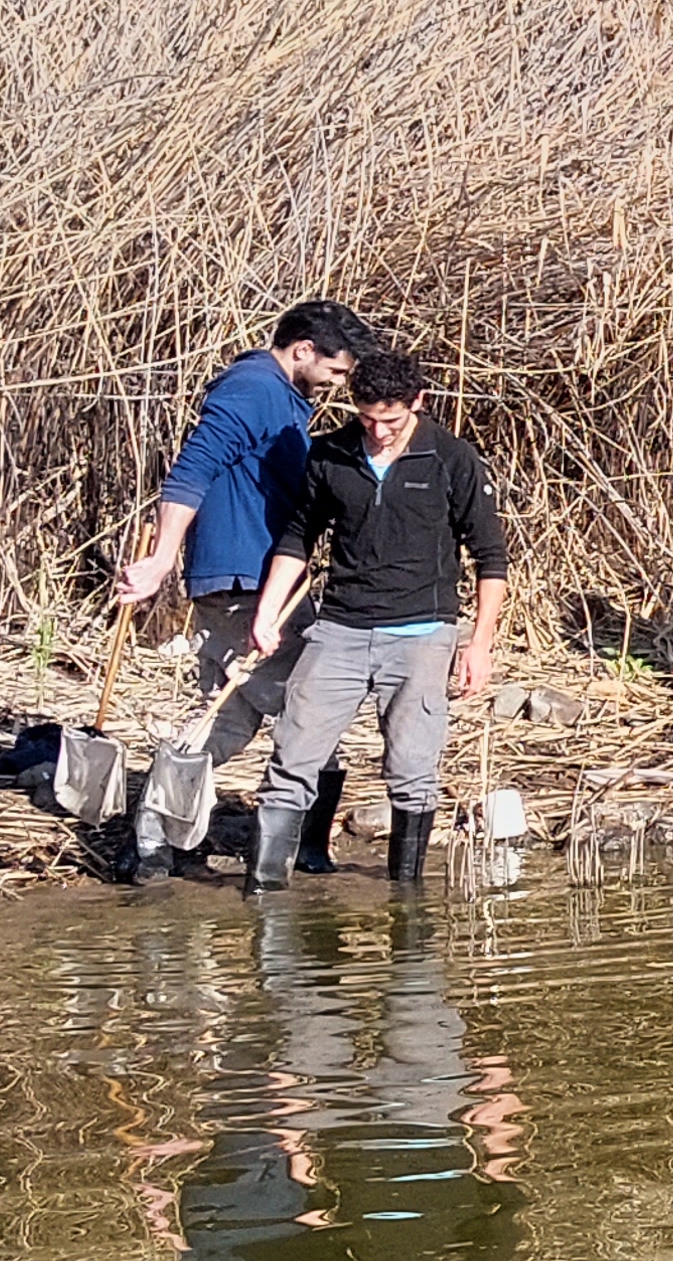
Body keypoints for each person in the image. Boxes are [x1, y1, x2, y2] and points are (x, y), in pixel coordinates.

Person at [114, 298, 370, 865]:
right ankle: (299, 850)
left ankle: (157, 842)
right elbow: (192, 471)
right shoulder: (252, 388)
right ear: (303, 350)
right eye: (334, 370)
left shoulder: (285, 396)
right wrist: (160, 559)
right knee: (308, 709)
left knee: (229, 712)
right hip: (245, 579)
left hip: (257, 577)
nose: (336, 383)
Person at [244, 351, 512, 888]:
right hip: (339, 629)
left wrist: (478, 644)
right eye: (367, 418)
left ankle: (406, 903)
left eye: (391, 419)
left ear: (418, 403)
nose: (379, 431)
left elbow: (491, 559)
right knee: (291, 756)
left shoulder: (452, 458)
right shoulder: (329, 454)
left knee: (412, 771)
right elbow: (298, 538)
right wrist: (268, 611)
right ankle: (265, 893)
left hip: (422, 634)